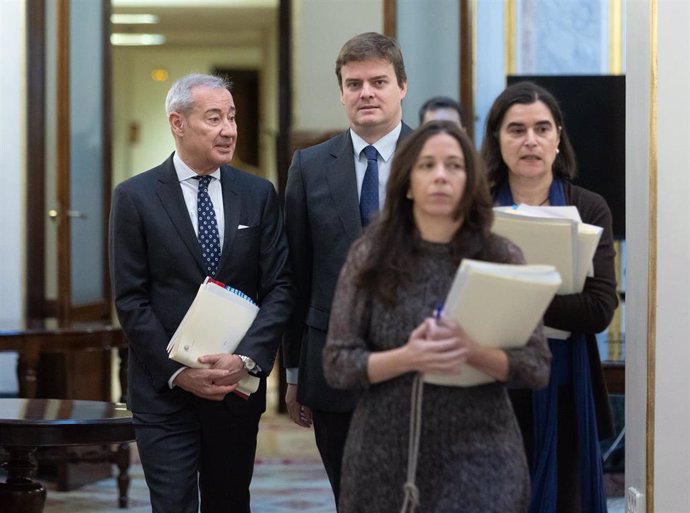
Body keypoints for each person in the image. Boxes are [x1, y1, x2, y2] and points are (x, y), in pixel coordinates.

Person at [322, 120, 551, 513]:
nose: (441, 176)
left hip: (482, 452)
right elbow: (338, 365)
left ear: (470, 181)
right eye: (427, 166)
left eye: (454, 166)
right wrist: (408, 358)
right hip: (386, 452)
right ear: (407, 183)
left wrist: (472, 351)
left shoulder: (501, 255)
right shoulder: (370, 256)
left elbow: (536, 367)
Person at [109, 73, 292, 513]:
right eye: (214, 118)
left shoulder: (258, 194)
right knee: (172, 505)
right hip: (163, 389)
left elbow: (280, 286)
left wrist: (245, 359)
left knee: (229, 503)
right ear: (178, 123)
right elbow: (131, 299)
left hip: (233, 388)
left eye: (231, 117)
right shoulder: (134, 198)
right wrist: (179, 371)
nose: (229, 129)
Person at [282, 31, 413, 506]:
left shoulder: (439, 161)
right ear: (341, 92)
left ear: (402, 86)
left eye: (378, 81)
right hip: (330, 367)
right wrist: (293, 373)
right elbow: (294, 275)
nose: (366, 93)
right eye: (354, 84)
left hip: (417, 367)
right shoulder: (310, 166)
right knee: (350, 497)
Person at [480, 81, 618, 513]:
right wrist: (552, 296)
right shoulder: (475, 209)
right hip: (487, 385)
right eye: (516, 130)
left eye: (542, 128)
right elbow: (458, 301)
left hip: (566, 386)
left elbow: (597, 310)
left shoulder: (589, 207)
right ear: (497, 140)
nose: (530, 140)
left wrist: (513, 296)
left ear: (558, 137)